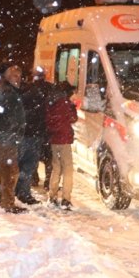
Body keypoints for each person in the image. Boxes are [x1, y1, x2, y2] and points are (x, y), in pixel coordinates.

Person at [0, 62, 27, 214]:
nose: (17, 78)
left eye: (19, 76)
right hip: (5, 137)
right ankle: (8, 203)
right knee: (11, 172)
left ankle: (2, 199)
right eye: (14, 76)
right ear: (7, 77)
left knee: (4, 171)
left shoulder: (12, 91)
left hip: (7, 136)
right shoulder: (6, 91)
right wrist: (4, 115)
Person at [16, 67, 50, 204]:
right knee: (29, 164)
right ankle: (23, 192)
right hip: (35, 133)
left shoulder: (24, 91)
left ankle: (18, 190)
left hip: (24, 132)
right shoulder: (44, 91)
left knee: (22, 163)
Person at [45, 81, 78, 210]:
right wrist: (73, 107)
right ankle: (66, 199)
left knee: (56, 168)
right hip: (64, 140)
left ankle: (52, 196)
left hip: (54, 139)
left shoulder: (51, 101)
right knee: (68, 169)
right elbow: (73, 118)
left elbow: (48, 120)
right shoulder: (65, 103)